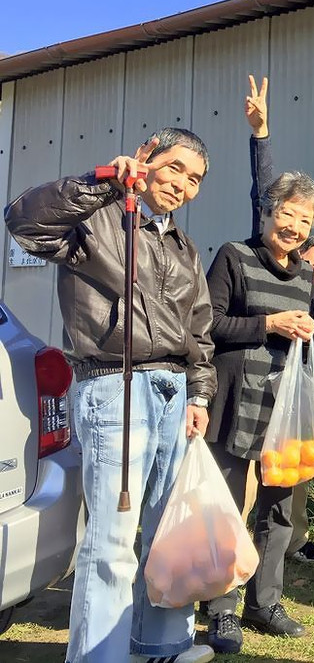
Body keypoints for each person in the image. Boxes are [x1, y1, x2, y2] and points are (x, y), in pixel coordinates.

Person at [5, 130, 217, 663]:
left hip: (173, 393)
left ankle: (162, 644)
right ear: (148, 157)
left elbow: (201, 330)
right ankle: (101, 655)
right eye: (174, 169)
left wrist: (200, 394)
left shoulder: (184, 247)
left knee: (169, 530)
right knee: (113, 539)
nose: (183, 185)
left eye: (194, 179)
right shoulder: (95, 221)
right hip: (114, 385)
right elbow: (23, 222)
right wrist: (99, 181)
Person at [203, 141, 314, 651]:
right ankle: (220, 609)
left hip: (283, 405)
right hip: (235, 399)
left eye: (304, 220)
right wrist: (268, 323)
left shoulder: (305, 275)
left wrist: (308, 328)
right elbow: (206, 323)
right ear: (268, 212)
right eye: (287, 215)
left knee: (277, 510)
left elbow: (299, 340)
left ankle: (264, 602)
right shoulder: (235, 255)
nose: (294, 227)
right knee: (227, 507)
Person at [244, 75, 314, 566]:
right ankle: (231, 569)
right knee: (248, 491)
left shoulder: (308, 294)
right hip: (247, 397)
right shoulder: (264, 256)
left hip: (287, 396)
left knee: (288, 483)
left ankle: (282, 554)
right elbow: (265, 197)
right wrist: (261, 135)